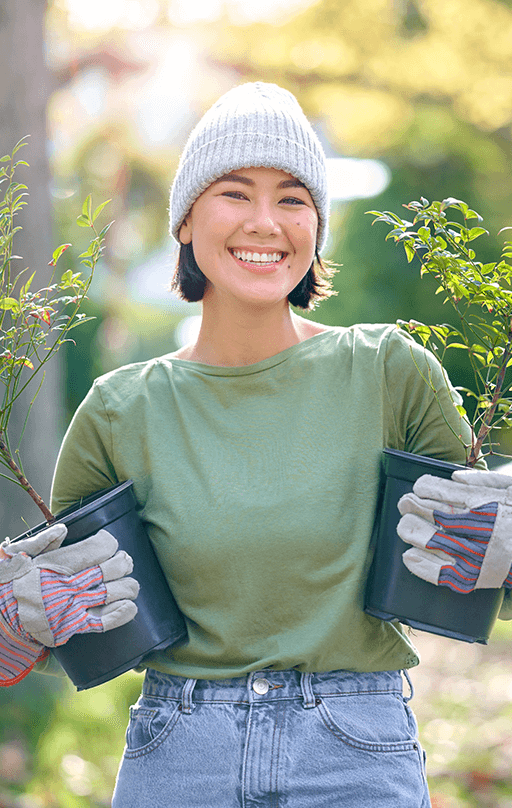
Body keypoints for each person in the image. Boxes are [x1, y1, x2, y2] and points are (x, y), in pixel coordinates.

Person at [2, 81, 512, 807]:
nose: (265, 222)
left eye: (293, 199)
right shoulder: (120, 410)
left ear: (317, 227)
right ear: (185, 221)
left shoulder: (388, 371)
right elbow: (88, 623)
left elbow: (472, 574)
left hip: (354, 753)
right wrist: (27, 616)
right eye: (235, 193)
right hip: (180, 755)